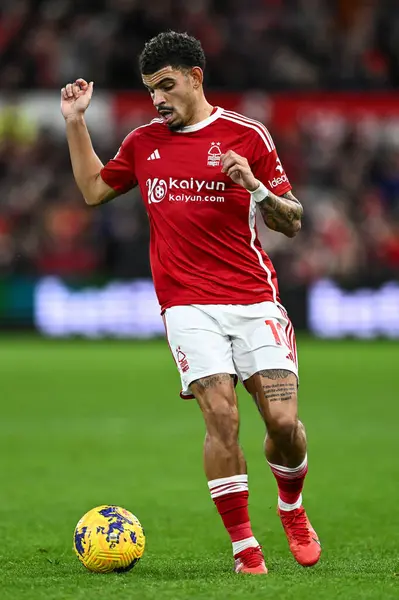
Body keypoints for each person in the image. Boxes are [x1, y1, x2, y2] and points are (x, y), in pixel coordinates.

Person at [61, 31, 321, 575]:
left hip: (254, 299)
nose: (157, 98)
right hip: (187, 306)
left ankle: (292, 507)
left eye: (167, 85)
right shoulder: (143, 144)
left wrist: (255, 187)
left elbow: (292, 222)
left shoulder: (247, 135)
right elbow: (91, 191)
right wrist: (75, 122)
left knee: (283, 424)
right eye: (150, 90)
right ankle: (245, 548)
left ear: (195, 78)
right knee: (221, 418)